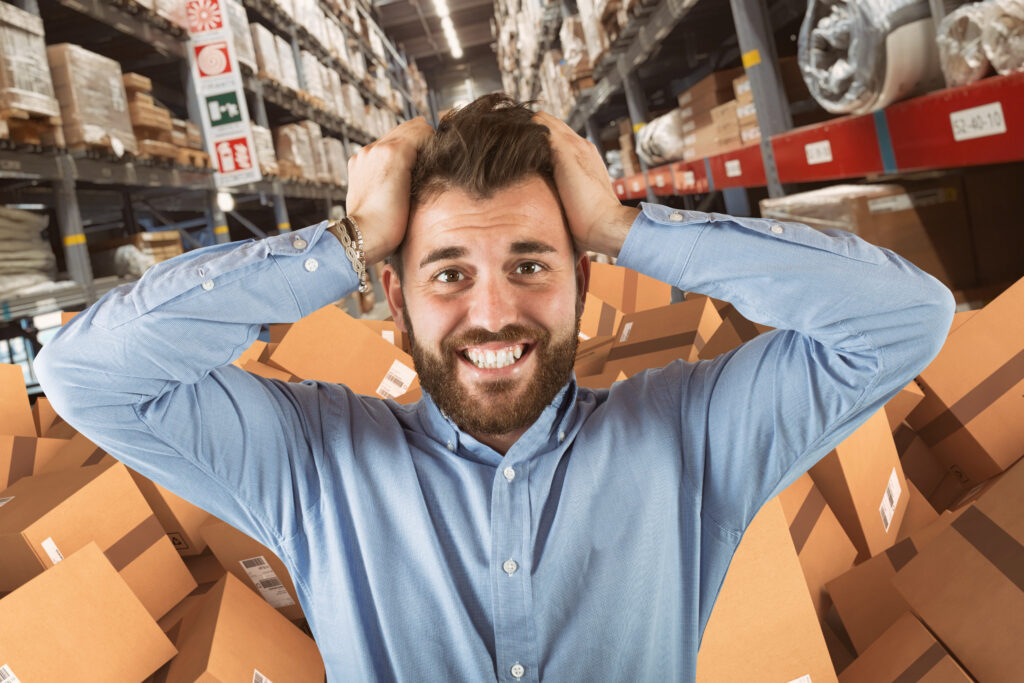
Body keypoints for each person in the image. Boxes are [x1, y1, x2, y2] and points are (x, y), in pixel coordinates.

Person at [35, 94, 954, 682]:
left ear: (583, 278)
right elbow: (85, 373)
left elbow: (903, 317)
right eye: (447, 274)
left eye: (529, 263)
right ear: (391, 294)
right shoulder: (312, 465)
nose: (493, 311)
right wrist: (346, 241)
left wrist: (623, 224)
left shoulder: (690, 438)